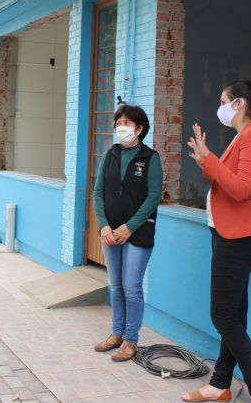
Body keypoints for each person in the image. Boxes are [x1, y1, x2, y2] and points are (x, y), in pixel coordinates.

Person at [182, 80, 251, 403]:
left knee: (222, 316)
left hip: (240, 235)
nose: (220, 107)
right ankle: (220, 384)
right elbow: (228, 178)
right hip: (229, 232)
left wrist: (211, 160)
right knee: (234, 314)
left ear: (239, 104)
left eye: (224, 101)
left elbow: (242, 188)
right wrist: (206, 162)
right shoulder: (243, 136)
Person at [92, 104, 163, 362]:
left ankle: (131, 340)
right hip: (110, 233)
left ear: (139, 128)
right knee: (116, 286)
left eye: (126, 123)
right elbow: (98, 192)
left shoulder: (150, 158)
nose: (120, 128)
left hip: (138, 233)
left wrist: (129, 227)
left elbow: (153, 196)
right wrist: (103, 225)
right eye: (118, 123)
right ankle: (117, 334)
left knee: (131, 286)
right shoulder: (110, 154)